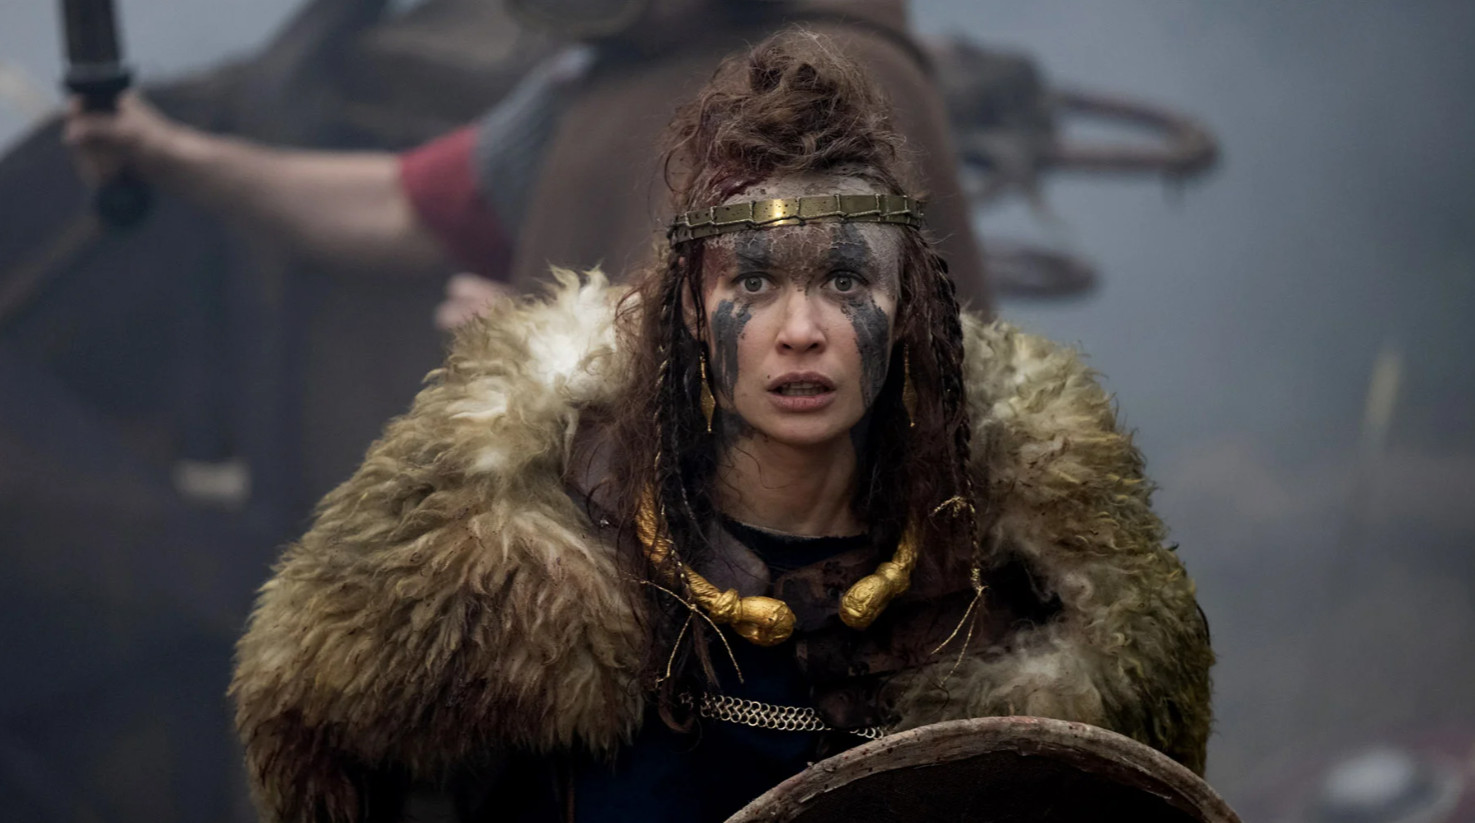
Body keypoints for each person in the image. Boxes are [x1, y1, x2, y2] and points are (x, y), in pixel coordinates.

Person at [230, 30, 1211, 823]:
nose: (800, 330)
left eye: (845, 279)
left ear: (905, 306)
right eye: (753, 279)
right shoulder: (520, 590)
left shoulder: (1011, 606)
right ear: (691, 312)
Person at [63, 0, 990, 320]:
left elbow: (805, 364)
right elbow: (404, 206)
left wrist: (547, 362)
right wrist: (171, 154)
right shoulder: (602, 88)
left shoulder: (829, 80)